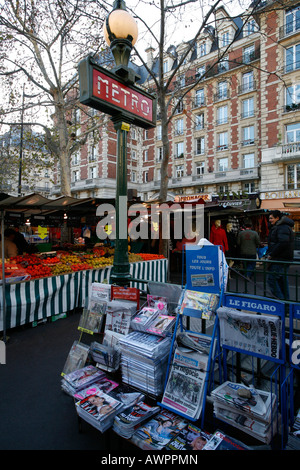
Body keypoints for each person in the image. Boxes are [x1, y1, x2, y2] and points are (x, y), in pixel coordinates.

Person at [266, 210, 294, 300]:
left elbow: (283, 242)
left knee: (272, 279)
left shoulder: (282, 227)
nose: (269, 220)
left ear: (277, 218)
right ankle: (285, 305)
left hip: (279, 258)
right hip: (282, 258)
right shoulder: (282, 227)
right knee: (282, 281)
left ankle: (281, 303)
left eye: (271, 218)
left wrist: (272, 254)